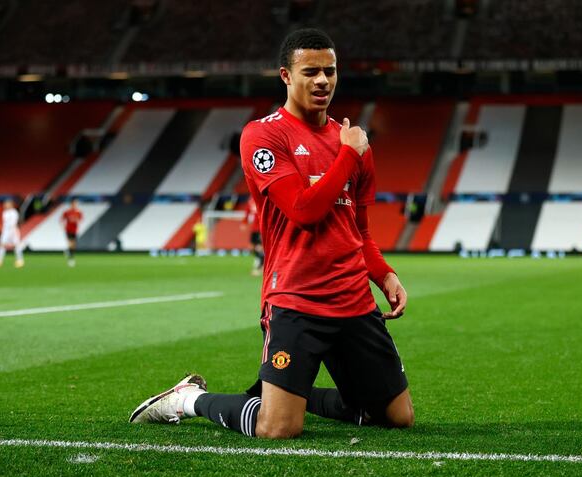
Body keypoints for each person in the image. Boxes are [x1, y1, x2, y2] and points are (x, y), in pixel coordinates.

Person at [129, 28, 413, 438]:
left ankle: (288, 392)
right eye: (310, 71)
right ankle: (188, 399)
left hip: (353, 300)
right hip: (297, 298)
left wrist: (384, 274)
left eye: (330, 71)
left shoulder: (351, 141)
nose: (322, 81)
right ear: (285, 75)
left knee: (397, 417)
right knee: (277, 428)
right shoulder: (264, 135)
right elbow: (304, 210)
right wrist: (349, 154)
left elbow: (361, 231)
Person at [0, 199, 24, 268]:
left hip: (13, 231)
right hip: (5, 231)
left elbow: (13, 224)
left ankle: (20, 261)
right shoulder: (5, 212)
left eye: (7, 204)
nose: (5, 205)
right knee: (1, 245)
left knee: (16, 245)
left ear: (11, 205)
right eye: (5, 204)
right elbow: (5, 223)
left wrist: (11, 233)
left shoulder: (14, 212)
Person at [241, 197, 264, 276]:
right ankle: (259, 261)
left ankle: (260, 267)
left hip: (261, 228)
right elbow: (247, 211)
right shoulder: (250, 200)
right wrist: (244, 222)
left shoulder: (262, 198)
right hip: (254, 228)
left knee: (260, 248)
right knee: (252, 247)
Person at [61, 199, 83, 267]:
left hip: (75, 230)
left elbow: (80, 220)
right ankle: (71, 259)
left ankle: (68, 251)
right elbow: (62, 219)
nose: (75, 205)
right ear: (71, 204)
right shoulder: (67, 212)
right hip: (68, 230)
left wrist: (76, 220)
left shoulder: (78, 212)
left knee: (74, 245)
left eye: (76, 204)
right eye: (74, 204)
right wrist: (63, 226)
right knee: (71, 242)